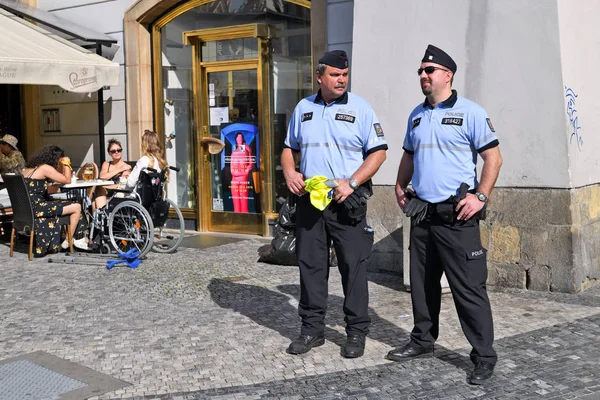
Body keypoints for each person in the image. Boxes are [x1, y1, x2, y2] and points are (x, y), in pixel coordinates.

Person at [389, 44, 503, 385]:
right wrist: (398, 184)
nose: (423, 76)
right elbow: (408, 155)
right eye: (421, 71)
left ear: (447, 75)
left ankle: (483, 356)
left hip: (457, 216)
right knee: (422, 287)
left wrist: (480, 196)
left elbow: (493, 159)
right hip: (422, 214)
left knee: (468, 287)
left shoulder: (471, 112)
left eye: (430, 71)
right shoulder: (417, 114)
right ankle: (423, 340)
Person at [281, 50, 387, 358]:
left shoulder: (361, 108)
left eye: (345, 74)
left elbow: (378, 153)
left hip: (346, 200)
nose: (341, 79)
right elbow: (290, 148)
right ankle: (312, 330)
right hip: (310, 202)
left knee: (353, 267)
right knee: (311, 267)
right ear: (319, 77)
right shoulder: (303, 108)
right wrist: (290, 171)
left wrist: (351, 182)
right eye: (335, 75)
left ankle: (356, 332)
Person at [22, 145, 90, 256]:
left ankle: (78, 239)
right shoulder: (44, 168)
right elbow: (67, 180)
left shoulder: (31, 168)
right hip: (38, 208)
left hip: (28, 208)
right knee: (77, 206)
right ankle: (69, 241)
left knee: (69, 203)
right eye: (60, 161)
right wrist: (67, 163)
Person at [95, 139, 132, 208]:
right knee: (98, 191)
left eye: (119, 150)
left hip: (117, 194)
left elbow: (121, 185)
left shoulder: (126, 167)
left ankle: (101, 216)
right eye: (113, 151)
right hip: (104, 193)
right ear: (109, 153)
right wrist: (120, 169)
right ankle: (101, 215)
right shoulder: (106, 164)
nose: (116, 152)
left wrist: (106, 187)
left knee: (95, 201)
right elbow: (102, 177)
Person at [230, 132, 253, 213]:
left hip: (242, 179)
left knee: (244, 204)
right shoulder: (233, 153)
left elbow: (250, 164)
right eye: (238, 138)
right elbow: (232, 171)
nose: (239, 140)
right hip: (235, 180)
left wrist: (246, 170)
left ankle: (245, 220)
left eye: (240, 138)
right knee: (236, 205)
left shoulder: (247, 150)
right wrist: (244, 172)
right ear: (236, 140)